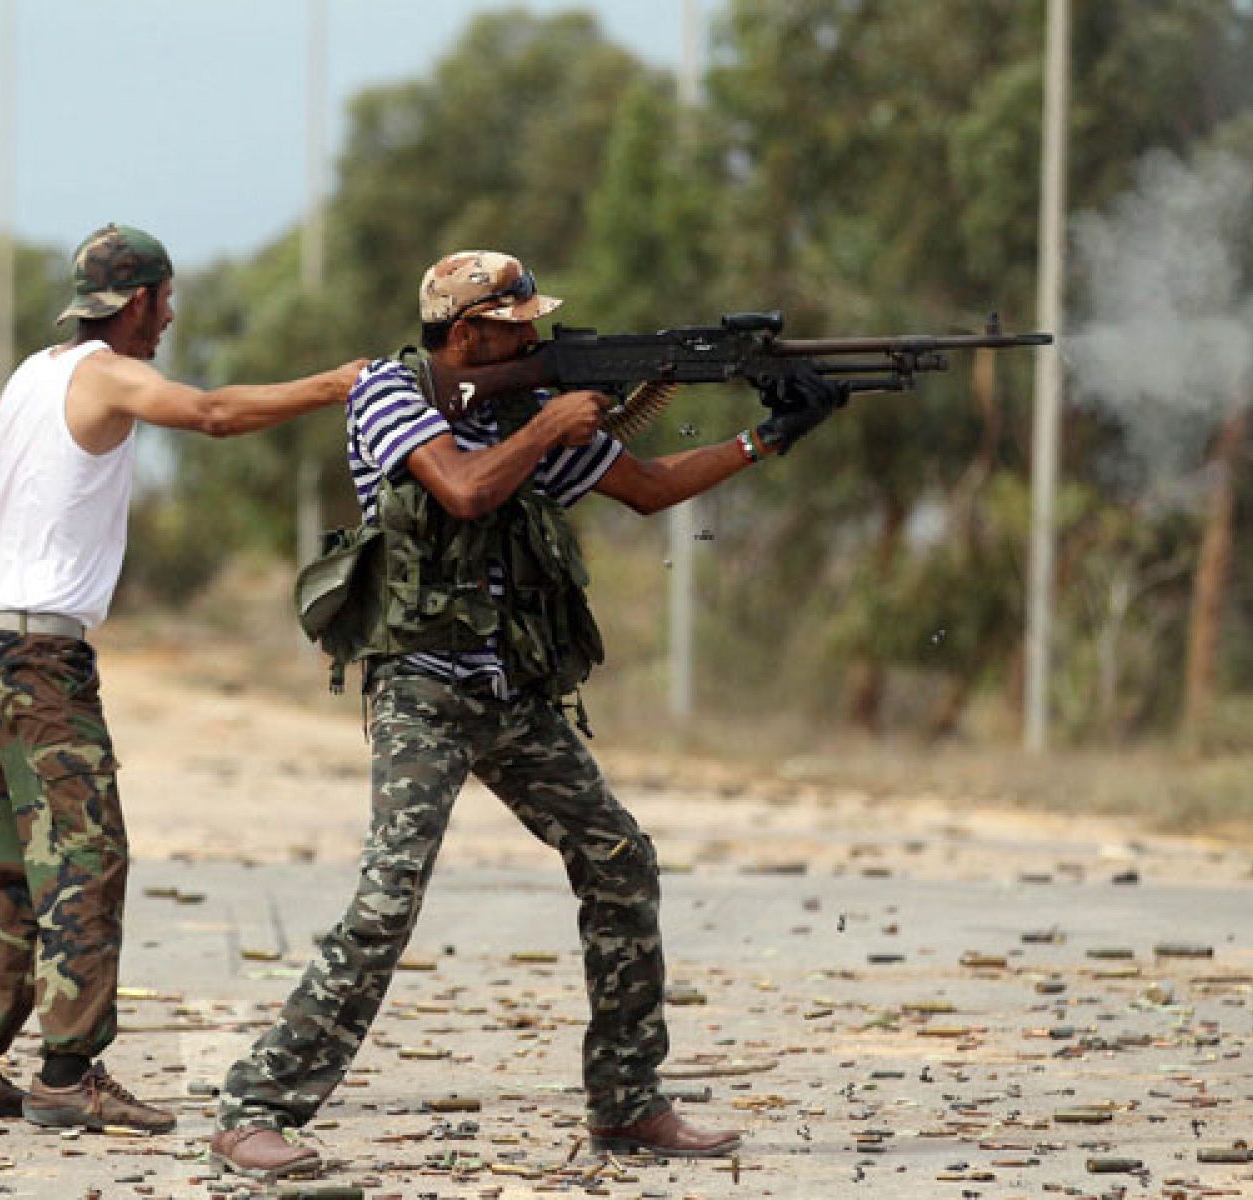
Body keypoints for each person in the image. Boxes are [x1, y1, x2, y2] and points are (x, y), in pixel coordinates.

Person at [209, 250, 848, 1175]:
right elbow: (464, 490)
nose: (535, 339)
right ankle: (255, 1106)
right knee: (389, 899)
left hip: (510, 688)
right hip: (423, 684)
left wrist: (771, 436)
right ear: (466, 333)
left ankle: (628, 1105)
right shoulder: (392, 392)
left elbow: (651, 488)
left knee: (620, 860)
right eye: (516, 328)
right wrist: (549, 422)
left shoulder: (525, 415)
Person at [0, 223, 362, 1133]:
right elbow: (216, 415)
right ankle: (69, 1074)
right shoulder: (111, 372)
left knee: (17, 864)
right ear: (142, 300)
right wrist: (336, 385)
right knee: (85, 856)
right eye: (166, 300)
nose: (171, 317)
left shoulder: (34, 375)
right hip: (41, 657)